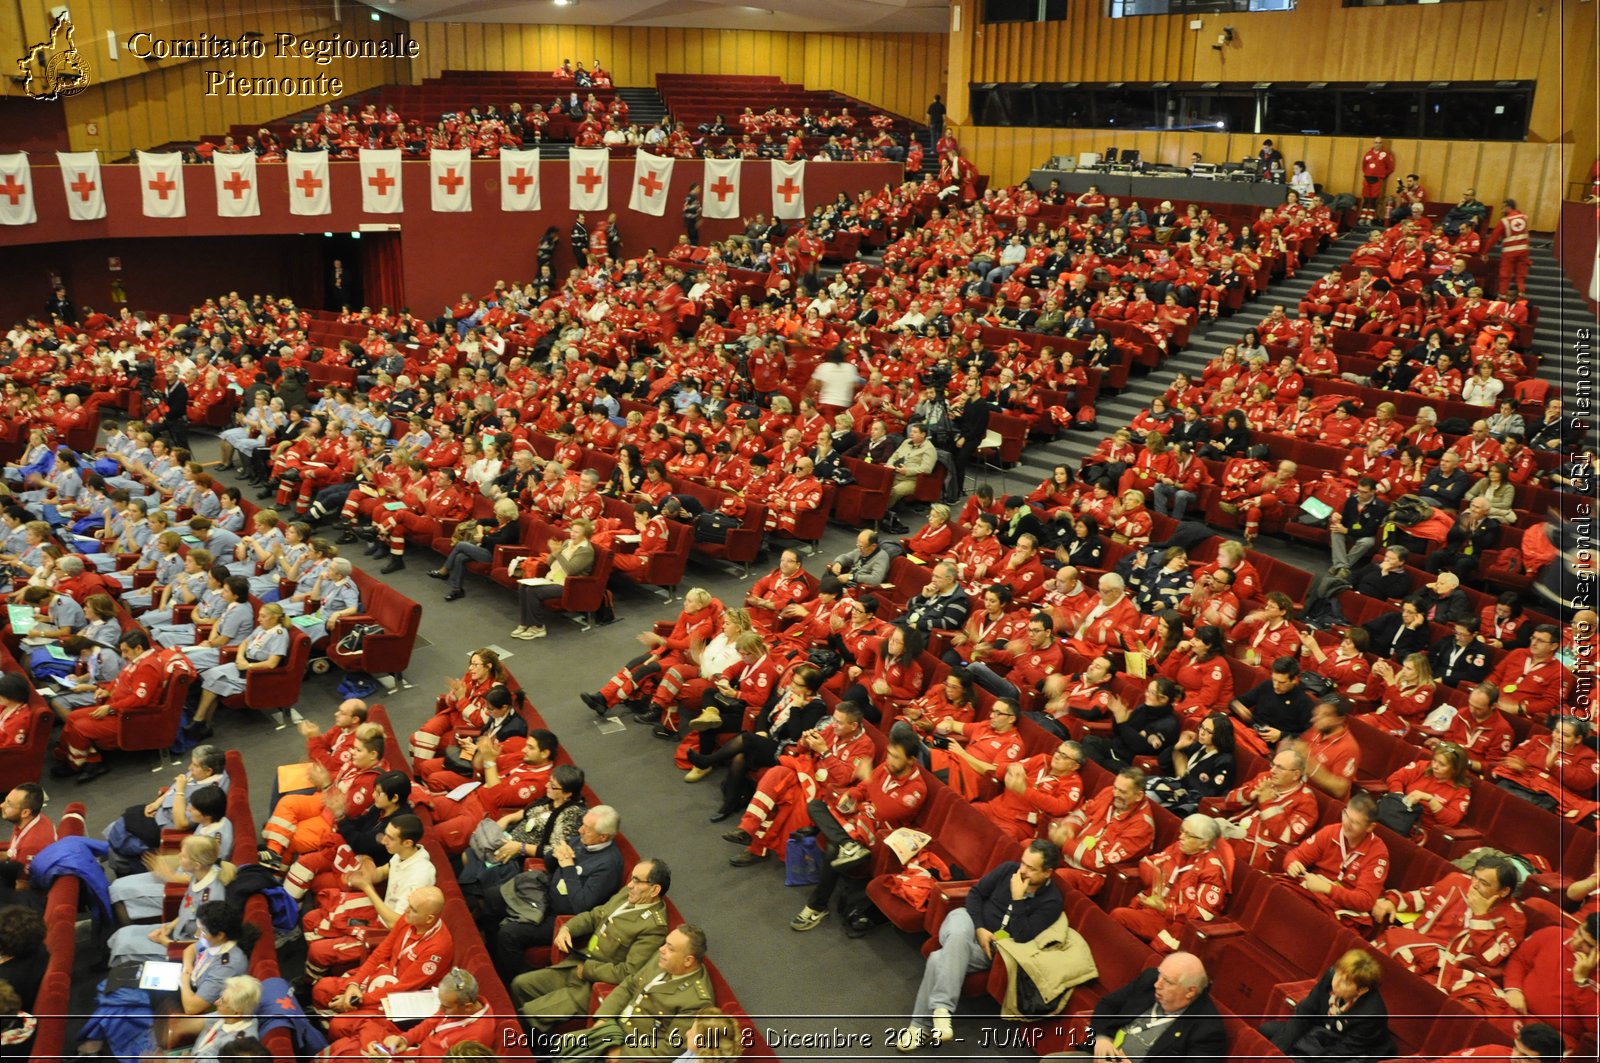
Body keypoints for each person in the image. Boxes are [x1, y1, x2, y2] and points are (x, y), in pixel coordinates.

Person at [895, 840, 1064, 1051]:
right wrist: (979, 928)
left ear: (1048, 872)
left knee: (940, 958)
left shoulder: (1052, 902)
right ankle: (942, 1009)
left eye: (1031, 868)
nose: (1022, 871)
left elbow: (1023, 936)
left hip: (991, 949)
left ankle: (921, 1025)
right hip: (967, 922)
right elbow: (975, 894)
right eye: (1023, 863)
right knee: (958, 934)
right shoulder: (1008, 870)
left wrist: (1018, 899)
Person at [510, 859, 671, 1030]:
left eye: (637, 881)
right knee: (519, 985)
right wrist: (567, 928)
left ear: (655, 890)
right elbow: (595, 916)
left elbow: (629, 972)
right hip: (576, 964)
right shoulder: (628, 894)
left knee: (529, 1015)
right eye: (632, 878)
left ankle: (536, 1045)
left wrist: (588, 970)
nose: (630, 885)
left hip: (592, 985)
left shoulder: (654, 927)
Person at [551, 925, 715, 1060]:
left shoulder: (697, 1001)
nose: (661, 949)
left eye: (670, 948)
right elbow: (629, 985)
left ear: (688, 961)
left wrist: (623, 1053)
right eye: (665, 944)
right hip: (612, 1030)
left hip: (636, 1050)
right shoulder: (663, 960)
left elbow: (670, 1047)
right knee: (560, 1047)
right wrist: (603, 1018)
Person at [310, 886, 454, 1039]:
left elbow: (404, 987)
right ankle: (324, 1030)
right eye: (408, 904)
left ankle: (336, 1041)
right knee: (322, 989)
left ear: (429, 918)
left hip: (404, 998)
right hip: (385, 975)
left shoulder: (438, 948)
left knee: (340, 1024)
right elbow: (380, 953)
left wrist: (357, 1000)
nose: (406, 910)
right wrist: (354, 984)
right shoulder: (408, 920)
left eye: (413, 909)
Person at [1372, 855, 1526, 986]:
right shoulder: (1457, 880)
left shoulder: (1515, 920)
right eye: (1475, 878)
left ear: (1504, 891)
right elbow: (1422, 897)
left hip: (1447, 967)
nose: (1474, 886)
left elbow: (1489, 958)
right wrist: (1391, 902)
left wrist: (1480, 916)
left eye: (1484, 883)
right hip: (1414, 942)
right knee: (1367, 962)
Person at [1109, 814, 1230, 953]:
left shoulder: (1213, 871)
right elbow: (1148, 862)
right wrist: (1157, 874)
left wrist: (1167, 908)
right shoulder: (1178, 848)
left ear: (1204, 843)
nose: (1181, 837)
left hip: (1178, 924)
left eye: (1188, 835)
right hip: (1157, 910)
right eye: (1182, 831)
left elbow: (1204, 912)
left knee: (1120, 918)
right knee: (1118, 916)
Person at [1077, 951, 1227, 1060]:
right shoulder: (1149, 979)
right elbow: (1108, 1005)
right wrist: (1101, 1037)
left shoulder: (1208, 1031)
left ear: (1190, 991)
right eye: (1160, 974)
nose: (1157, 984)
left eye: (1167, 981)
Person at [320, 967, 493, 1061]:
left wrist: (388, 1060)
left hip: (415, 1058)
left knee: (352, 1054)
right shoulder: (457, 1005)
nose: (441, 1008)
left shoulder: (473, 1042)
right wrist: (404, 1039)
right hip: (411, 1050)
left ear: (468, 1007)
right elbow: (429, 1023)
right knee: (352, 1033)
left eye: (445, 1006)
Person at [1261, 949, 1396, 1063]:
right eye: (1338, 972)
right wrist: (1278, 1054)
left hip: (1356, 1051)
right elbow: (1305, 1012)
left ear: (1361, 990)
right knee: (1268, 1031)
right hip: (1324, 1032)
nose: (1336, 982)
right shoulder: (1331, 975)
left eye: (1345, 982)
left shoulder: (1371, 1014)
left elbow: (1341, 1053)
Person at [510, 518, 596, 640]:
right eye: (572, 530)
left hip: (568, 584)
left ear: (585, 535)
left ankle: (538, 627)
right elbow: (550, 563)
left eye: (577, 532)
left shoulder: (586, 550)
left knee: (533, 591)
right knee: (523, 586)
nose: (573, 534)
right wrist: (553, 553)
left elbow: (571, 570)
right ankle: (526, 623)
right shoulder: (567, 543)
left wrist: (558, 553)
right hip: (552, 578)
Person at [0, 786, 53, 879]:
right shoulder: (34, 817)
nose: (1, 805)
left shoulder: (30, 847)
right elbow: (12, 853)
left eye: (9, 804)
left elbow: (22, 886)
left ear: (25, 813)